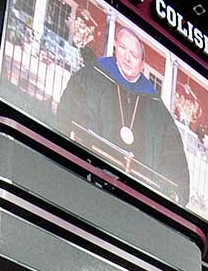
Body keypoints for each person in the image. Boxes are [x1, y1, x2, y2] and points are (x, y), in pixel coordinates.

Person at [56, 22, 191, 205]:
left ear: (142, 64)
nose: (127, 57)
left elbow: (173, 159)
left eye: (134, 55)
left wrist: (174, 192)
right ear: (115, 46)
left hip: (133, 205)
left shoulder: (157, 108)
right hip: (86, 185)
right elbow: (70, 119)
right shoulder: (92, 76)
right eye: (122, 48)